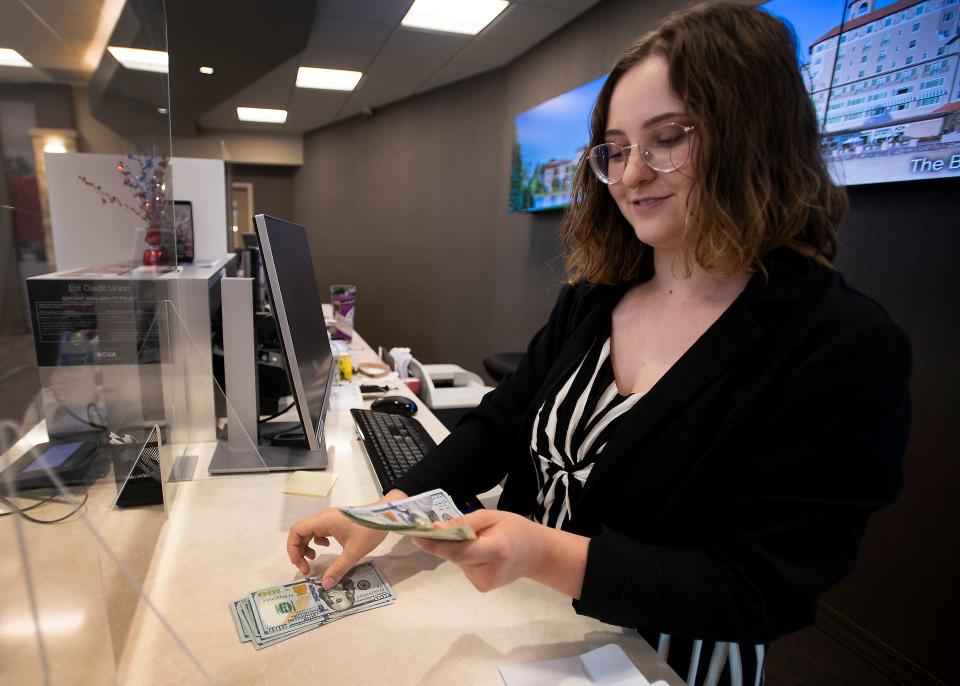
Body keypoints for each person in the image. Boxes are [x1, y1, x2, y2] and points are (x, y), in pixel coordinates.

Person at [287, 4, 911, 684]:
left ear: (756, 136)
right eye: (615, 149)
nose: (632, 174)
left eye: (667, 138)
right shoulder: (598, 293)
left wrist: (550, 556)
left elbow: (761, 587)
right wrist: (384, 512)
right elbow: (501, 422)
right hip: (526, 623)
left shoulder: (842, 344)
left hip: (665, 659)